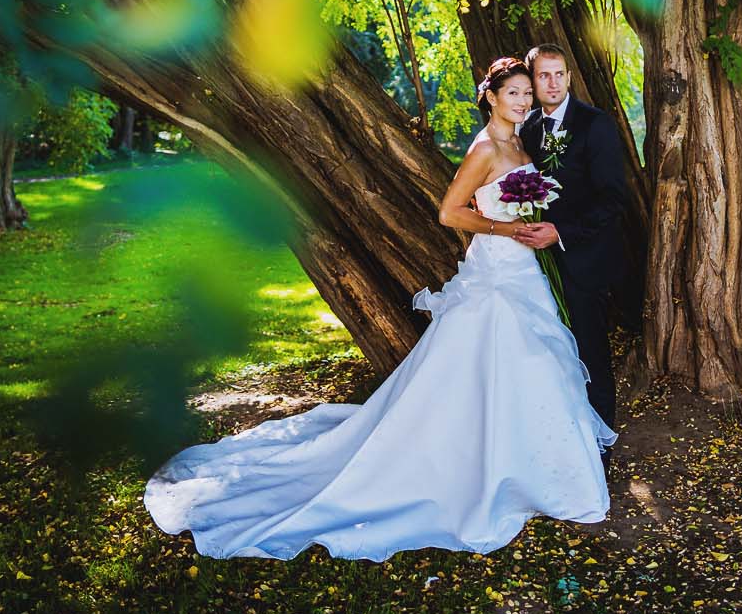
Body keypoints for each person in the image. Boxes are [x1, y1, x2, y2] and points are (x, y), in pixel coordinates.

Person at [143, 57, 616, 561]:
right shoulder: (483, 149)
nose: (524, 101)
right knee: (501, 362)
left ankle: (536, 466)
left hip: (523, 270)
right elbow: (448, 211)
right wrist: (506, 228)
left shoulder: (520, 143)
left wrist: (529, 217)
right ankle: (487, 468)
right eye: (515, 94)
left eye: (528, 93)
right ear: (492, 98)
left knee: (535, 363)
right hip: (497, 269)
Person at [514, 44, 628, 466]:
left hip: (584, 259)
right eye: (544, 76)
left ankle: (601, 447)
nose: (553, 83)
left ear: (568, 76)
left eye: (559, 74)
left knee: (590, 351)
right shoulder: (526, 129)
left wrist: (560, 232)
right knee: (548, 351)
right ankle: (558, 438)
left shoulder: (595, 125)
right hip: (536, 265)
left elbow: (612, 200)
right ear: (532, 80)